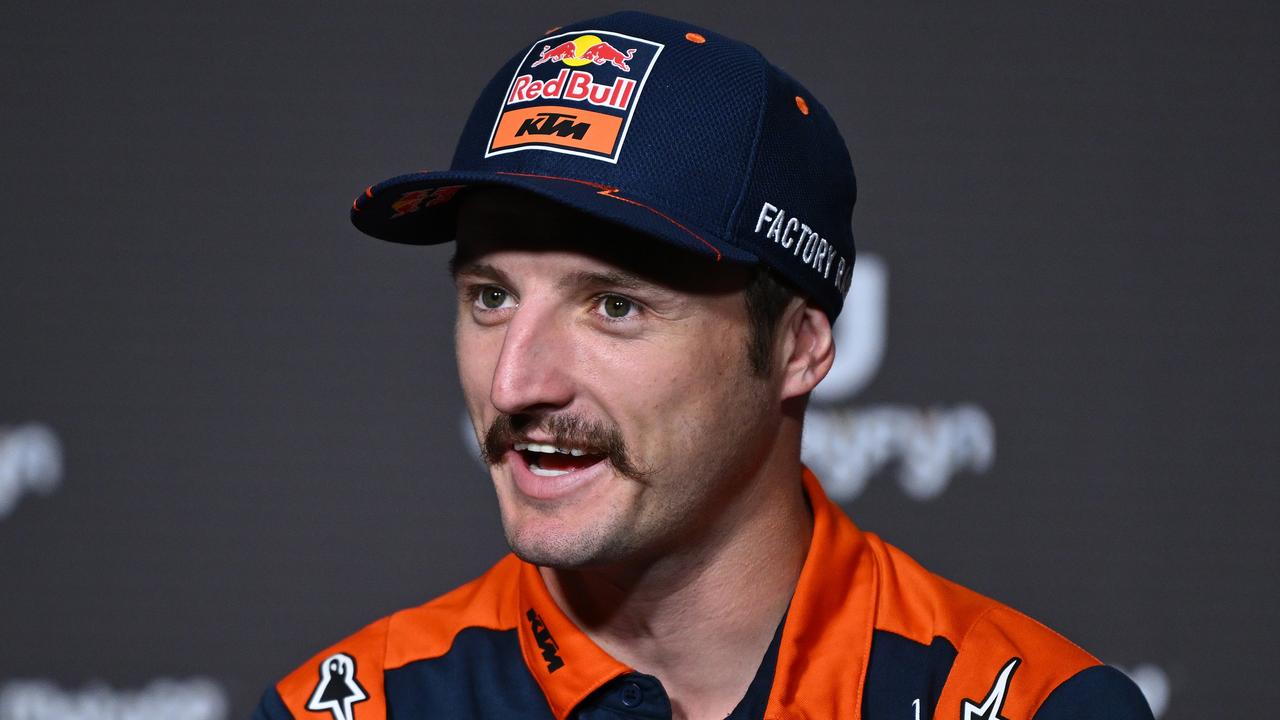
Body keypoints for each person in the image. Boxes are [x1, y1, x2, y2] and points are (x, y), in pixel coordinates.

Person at [253, 11, 1153, 720]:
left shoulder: (1030, 704)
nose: (514, 384)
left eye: (615, 306)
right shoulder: (356, 706)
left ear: (799, 349)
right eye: (490, 298)